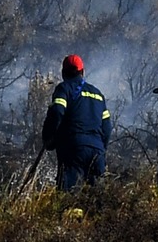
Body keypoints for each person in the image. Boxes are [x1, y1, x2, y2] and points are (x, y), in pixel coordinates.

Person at [41, 53, 112, 190]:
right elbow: (107, 127)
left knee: (68, 199)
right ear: (82, 72)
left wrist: (48, 138)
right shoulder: (97, 94)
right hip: (97, 152)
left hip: (73, 149)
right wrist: (101, 148)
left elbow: (57, 112)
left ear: (63, 73)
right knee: (99, 201)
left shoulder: (64, 88)